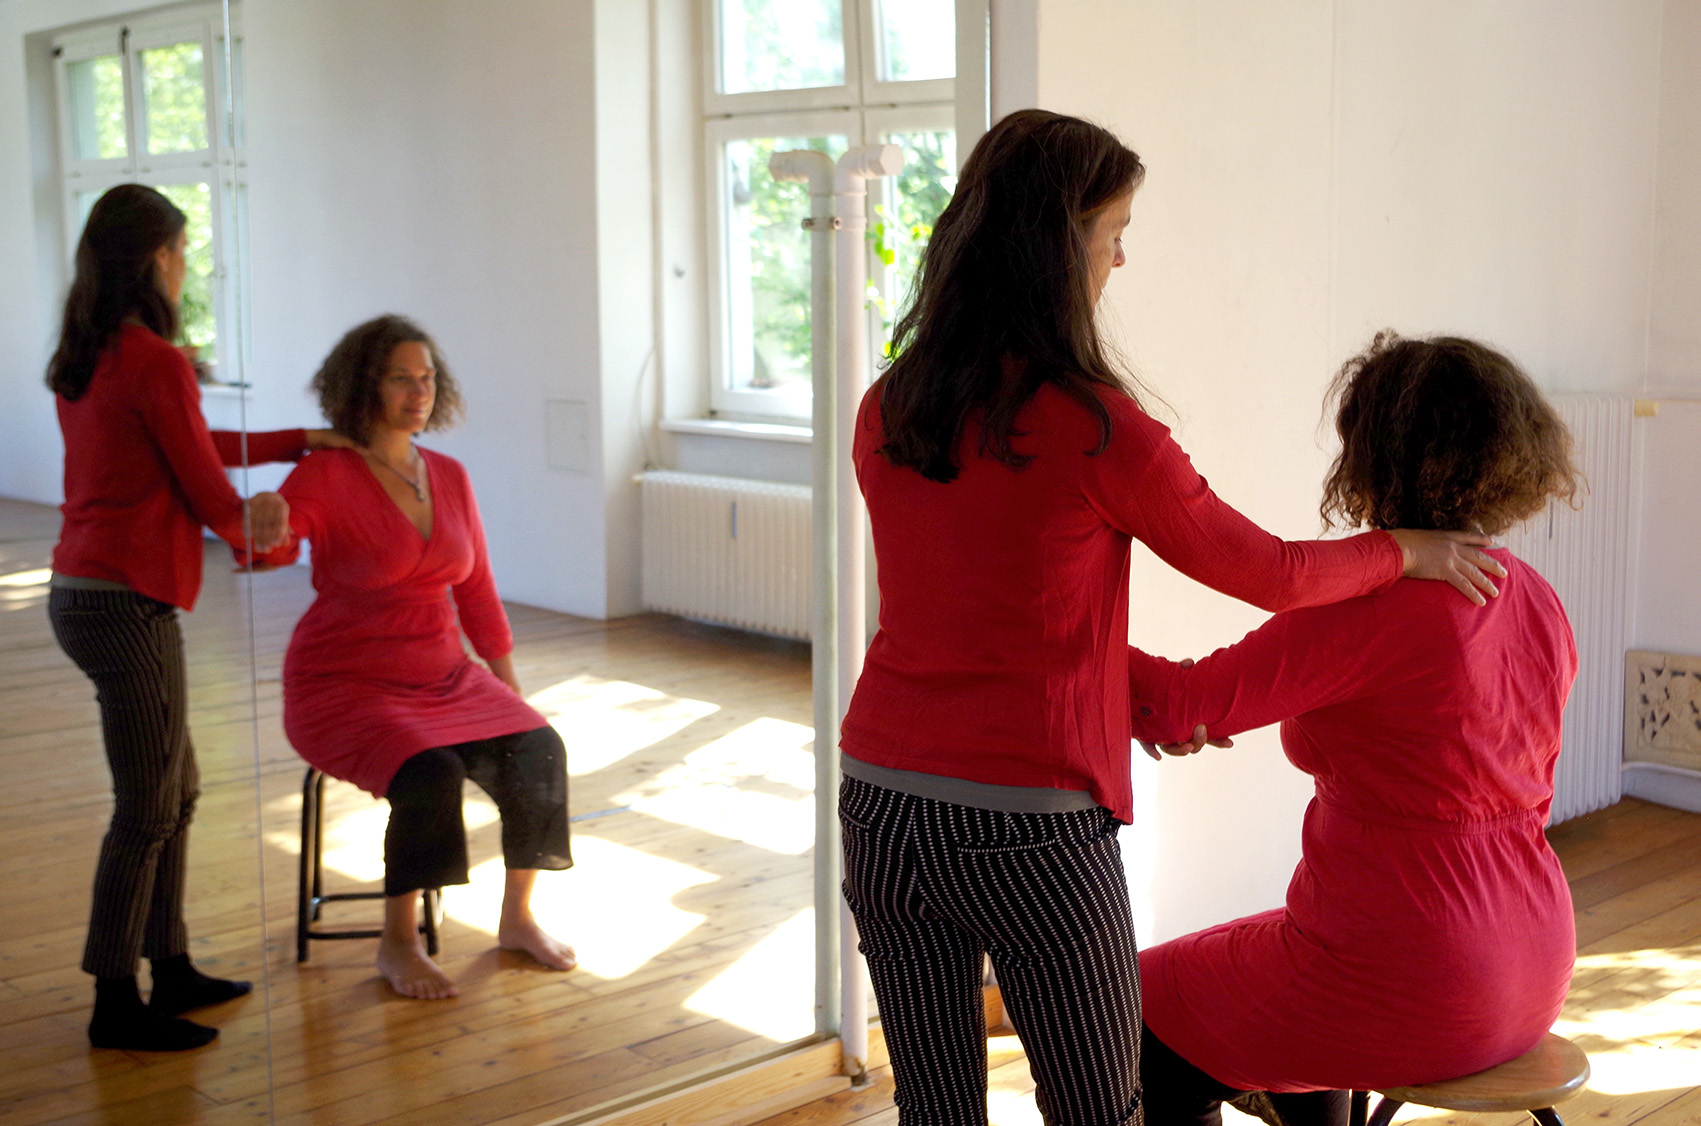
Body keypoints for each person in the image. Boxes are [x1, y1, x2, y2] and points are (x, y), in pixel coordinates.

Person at [837, 109, 1507, 1126]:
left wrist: (1133, 699)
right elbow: (1273, 573)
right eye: (1114, 230)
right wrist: (1404, 550)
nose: (1121, 257)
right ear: (1057, 245)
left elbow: (973, 622)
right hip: (1029, 829)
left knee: (935, 1110)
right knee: (1102, 1110)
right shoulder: (1097, 429)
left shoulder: (890, 405)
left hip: (881, 803)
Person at [1127, 333, 1581, 1126]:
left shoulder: (1365, 606)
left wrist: (1056, 641)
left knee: (1127, 1007)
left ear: (1373, 457)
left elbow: (1174, 704)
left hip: (1415, 973)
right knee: (1265, 956)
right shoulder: (1536, 598)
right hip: (1534, 960)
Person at [46, 183, 346, 1051]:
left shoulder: (94, 353)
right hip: (123, 601)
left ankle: (169, 965)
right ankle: (115, 999)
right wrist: (267, 521)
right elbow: (208, 489)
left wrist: (298, 442)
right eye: (182, 252)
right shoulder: (153, 359)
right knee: (148, 807)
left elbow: (187, 445)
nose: (186, 268)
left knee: (175, 791)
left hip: (92, 592)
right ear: (158, 259)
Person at [248, 315, 573, 1001]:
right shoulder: (324, 473)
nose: (419, 392)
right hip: (344, 684)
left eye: (427, 378)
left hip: (444, 675)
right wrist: (268, 521)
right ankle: (397, 941)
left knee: (539, 747)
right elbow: (276, 544)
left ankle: (517, 917)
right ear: (363, 385)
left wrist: (509, 689)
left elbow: (477, 590)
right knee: (430, 772)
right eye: (401, 378)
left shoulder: (449, 474)